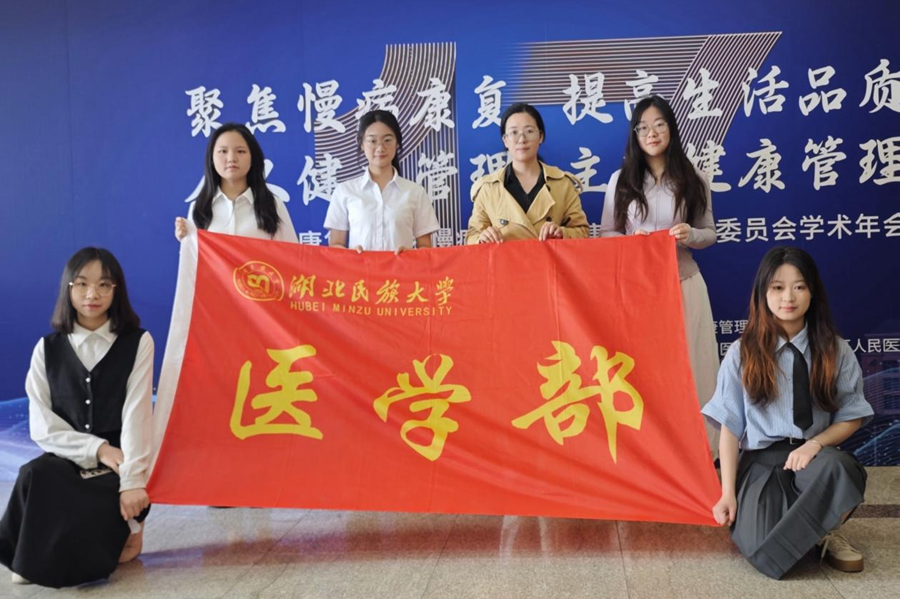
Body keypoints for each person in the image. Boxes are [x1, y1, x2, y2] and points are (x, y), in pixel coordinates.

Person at [702, 246, 873, 579]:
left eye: (799, 286)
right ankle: (809, 532)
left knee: (840, 469)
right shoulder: (742, 352)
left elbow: (852, 415)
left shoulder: (835, 350)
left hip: (814, 458)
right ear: (763, 293)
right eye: (778, 287)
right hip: (762, 464)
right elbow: (730, 427)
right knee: (759, 547)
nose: (788, 297)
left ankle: (826, 531)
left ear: (813, 292)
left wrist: (815, 444)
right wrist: (727, 494)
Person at [0, 248, 153, 588]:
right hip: (68, 455)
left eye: (103, 284)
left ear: (116, 290)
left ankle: (129, 531)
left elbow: (138, 414)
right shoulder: (47, 348)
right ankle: (33, 558)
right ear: (68, 289)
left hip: (122, 458)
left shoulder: (138, 342)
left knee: (95, 495)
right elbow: (43, 425)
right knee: (35, 474)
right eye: (81, 284)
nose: (92, 294)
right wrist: (96, 449)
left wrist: (132, 480)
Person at [600, 95, 719, 456]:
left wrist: (689, 234)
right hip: (637, 291)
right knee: (643, 369)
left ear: (671, 129)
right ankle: (648, 454)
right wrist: (631, 242)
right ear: (635, 135)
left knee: (694, 365)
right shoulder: (621, 180)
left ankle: (702, 451)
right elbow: (606, 233)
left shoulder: (693, 177)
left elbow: (710, 233)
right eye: (643, 128)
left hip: (683, 283)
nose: (651, 134)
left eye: (659, 125)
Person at [466, 103, 588, 244]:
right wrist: (482, 238)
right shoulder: (488, 188)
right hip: (504, 259)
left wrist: (562, 233)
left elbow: (583, 232)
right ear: (505, 140)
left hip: (548, 258)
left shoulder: (563, 184)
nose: (522, 139)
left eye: (529, 131)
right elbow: (471, 235)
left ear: (540, 136)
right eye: (514, 132)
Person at [325, 110, 439, 254]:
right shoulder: (345, 191)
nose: (380, 148)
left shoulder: (415, 192)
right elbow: (335, 245)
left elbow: (426, 249)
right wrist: (351, 254)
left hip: (402, 269)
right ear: (361, 143)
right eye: (372, 141)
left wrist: (410, 254)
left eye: (387, 140)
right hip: (359, 269)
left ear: (397, 142)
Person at [174, 123, 297, 242]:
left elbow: (290, 253)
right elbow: (195, 255)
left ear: (252, 158)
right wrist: (186, 239)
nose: (231, 158)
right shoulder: (199, 208)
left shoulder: (273, 206)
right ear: (211, 158)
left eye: (240, 151)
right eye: (223, 151)